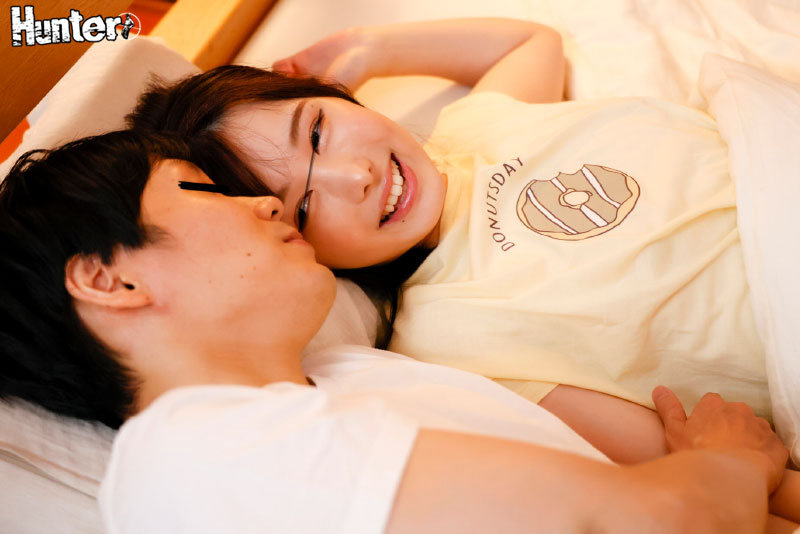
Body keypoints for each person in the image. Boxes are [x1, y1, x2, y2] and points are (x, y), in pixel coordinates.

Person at [0, 130, 797, 533]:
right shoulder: (194, 453)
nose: (266, 204)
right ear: (109, 278)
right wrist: (730, 461)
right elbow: (651, 521)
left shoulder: (345, 375)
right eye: (204, 190)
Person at [126, 19, 768, 428]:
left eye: (318, 130)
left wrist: (369, 49)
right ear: (291, 241)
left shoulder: (475, 126)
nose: (355, 176)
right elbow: (674, 450)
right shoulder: (445, 340)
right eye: (304, 206)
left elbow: (530, 42)